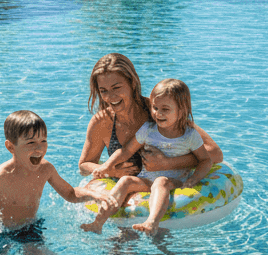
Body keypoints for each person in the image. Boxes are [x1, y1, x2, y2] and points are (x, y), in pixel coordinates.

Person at [0, 111, 102, 251]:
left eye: (43, 141)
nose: (39, 148)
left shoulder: (46, 169)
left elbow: (70, 193)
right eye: (31, 142)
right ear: (11, 147)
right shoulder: (0, 177)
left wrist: (94, 195)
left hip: (29, 228)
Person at [82, 79, 213, 234]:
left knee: (160, 182)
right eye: (155, 108)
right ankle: (98, 223)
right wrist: (107, 165)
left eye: (165, 109)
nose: (158, 113)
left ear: (182, 111)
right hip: (146, 179)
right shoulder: (148, 129)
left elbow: (206, 160)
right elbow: (126, 151)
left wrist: (194, 179)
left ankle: (151, 222)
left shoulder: (190, 135)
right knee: (126, 180)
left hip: (174, 181)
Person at [78, 53, 222, 183]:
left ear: (132, 83)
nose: (110, 97)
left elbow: (215, 153)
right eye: (103, 91)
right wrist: (109, 170)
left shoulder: (157, 112)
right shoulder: (102, 122)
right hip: (128, 189)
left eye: (117, 88)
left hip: (166, 185)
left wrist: (168, 163)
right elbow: (84, 166)